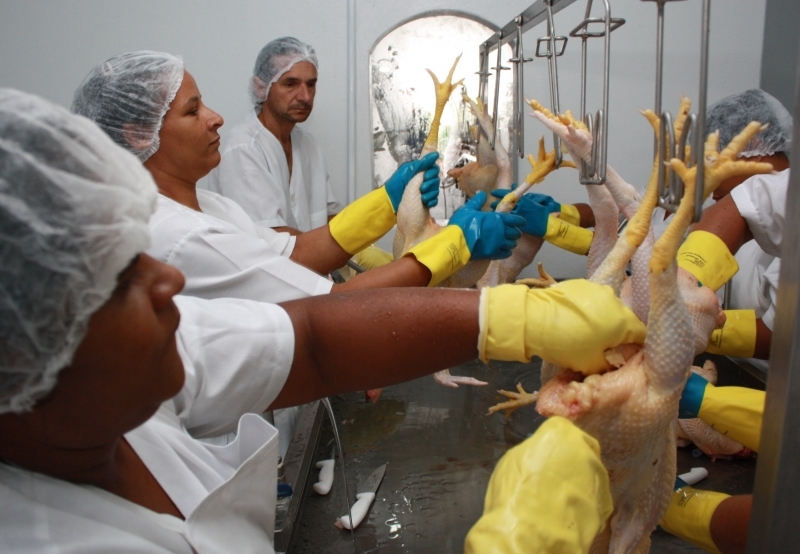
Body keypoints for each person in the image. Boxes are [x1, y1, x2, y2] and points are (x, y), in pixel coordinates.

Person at [0, 89, 646, 552]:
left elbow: (312, 337)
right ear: (23, 350)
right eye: (120, 278)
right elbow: (314, 291)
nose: (167, 278)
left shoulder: (127, 367)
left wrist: (504, 314)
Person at [72, 51, 525, 304]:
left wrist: (390, 201)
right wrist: (452, 245)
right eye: (193, 110)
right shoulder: (181, 236)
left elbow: (300, 251)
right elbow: (326, 299)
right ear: (136, 134)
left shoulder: (214, 208)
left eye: (311, 83)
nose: (215, 118)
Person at [208, 37, 333, 234]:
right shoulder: (243, 147)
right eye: (290, 84)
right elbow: (272, 238)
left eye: (311, 84)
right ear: (261, 87)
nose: (305, 96)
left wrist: (360, 245)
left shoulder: (309, 145)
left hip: (310, 264)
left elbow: (330, 216)